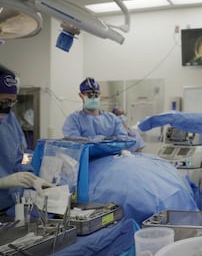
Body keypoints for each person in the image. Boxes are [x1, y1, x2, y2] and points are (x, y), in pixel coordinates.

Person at [0, 65, 52, 212]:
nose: (7, 107)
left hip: (8, 204)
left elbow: (24, 152)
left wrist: (29, 174)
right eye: (3, 102)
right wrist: (2, 182)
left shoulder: (9, 119)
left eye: (11, 102)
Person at [62, 77, 144, 152]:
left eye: (96, 94)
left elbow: (122, 140)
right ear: (81, 96)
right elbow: (75, 143)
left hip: (111, 162)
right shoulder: (73, 120)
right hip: (88, 163)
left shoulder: (112, 119)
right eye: (90, 95)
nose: (94, 98)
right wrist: (106, 140)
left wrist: (96, 141)